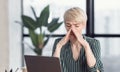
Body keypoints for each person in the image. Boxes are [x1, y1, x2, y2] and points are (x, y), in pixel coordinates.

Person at [52, 7, 104, 72]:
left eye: (76, 26)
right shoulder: (58, 42)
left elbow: (94, 70)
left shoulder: (94, 43)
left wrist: (86, 46)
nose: (72, 30)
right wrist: (59, 46)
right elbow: (53, 68)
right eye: (68, 25)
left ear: (84, 25)